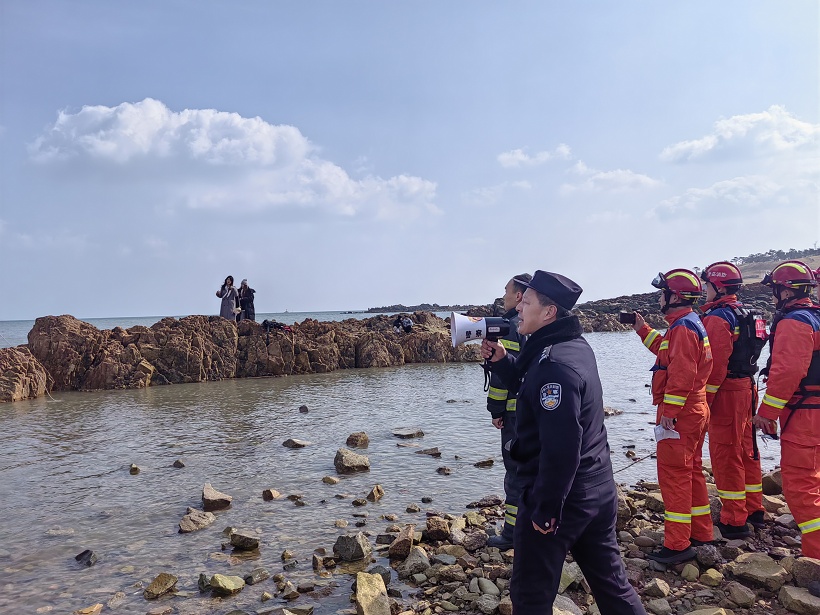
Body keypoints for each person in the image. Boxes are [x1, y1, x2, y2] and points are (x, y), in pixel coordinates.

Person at [481, 270, 646, 615]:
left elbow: (561, 447)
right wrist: (501, 361)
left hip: (562, 498)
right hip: (597, 489)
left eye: (526, 302)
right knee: (611, 585)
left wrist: (545, 509)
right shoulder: (570, 347)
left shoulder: (554, 366)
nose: (517, 309)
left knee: (530, 595)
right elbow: (529, 381)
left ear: (549, 312)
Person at [631, 269, 713, 564]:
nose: (659, 297)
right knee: (691, 471)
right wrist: (643, 330)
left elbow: (681, 374)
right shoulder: (688, 325)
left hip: (681, 413)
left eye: (663, 292)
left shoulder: (683, 329)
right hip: (694, 410)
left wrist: (669, 413)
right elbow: (667, 352)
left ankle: (677, 545)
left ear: (674, 296)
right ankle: (701, 532)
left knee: (675, 476)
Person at [752, 260, 820, 558]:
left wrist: (766, 413)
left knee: (802, 488)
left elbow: (788, 372)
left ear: (786, 290)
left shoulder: (796, 321)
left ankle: (816, 558)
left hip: (806, 415)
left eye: (775, 290)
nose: (773, 297)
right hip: (812, 410)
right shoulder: (815, 317)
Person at [700, 261, 765, 539]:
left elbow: (715, 365)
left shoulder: (717, 318)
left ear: (718, 286)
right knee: (748, 449)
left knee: (726, 454)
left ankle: (734, 519)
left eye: (707, 285)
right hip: (748, 387)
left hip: (727, 392)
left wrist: (706, 401)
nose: (703, 290)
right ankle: (754, 510)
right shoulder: (750, 313)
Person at [485, 273, 531, 550]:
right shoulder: (531, 325)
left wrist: (496, 409)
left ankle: (512, 533)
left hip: (515, 415)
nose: (503, 296)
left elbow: (503, 376)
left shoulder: (511, 327)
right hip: (530, 411)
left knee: (515, 472)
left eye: (506, 291)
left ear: (518, 296)